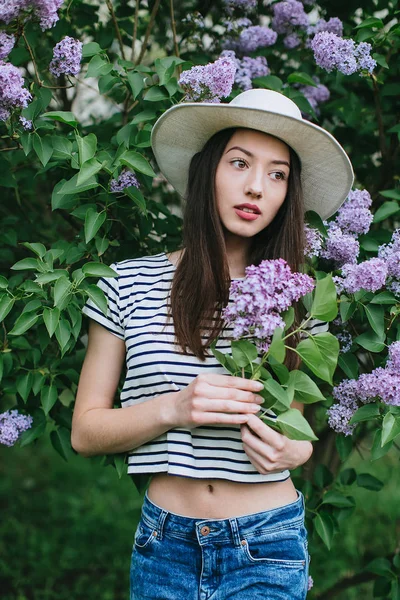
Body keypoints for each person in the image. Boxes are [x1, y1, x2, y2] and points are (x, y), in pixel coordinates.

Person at [71, 89, 353, 600]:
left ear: (289, 193)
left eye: (277, 174)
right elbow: (86, 432)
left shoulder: (298, 301)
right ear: (207, 171)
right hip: (166, 545)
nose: (255, 188)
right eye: (239, 162)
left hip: (267, 540)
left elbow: (299, 434)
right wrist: (174, 409)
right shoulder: (128, 285)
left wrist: (296, 450)